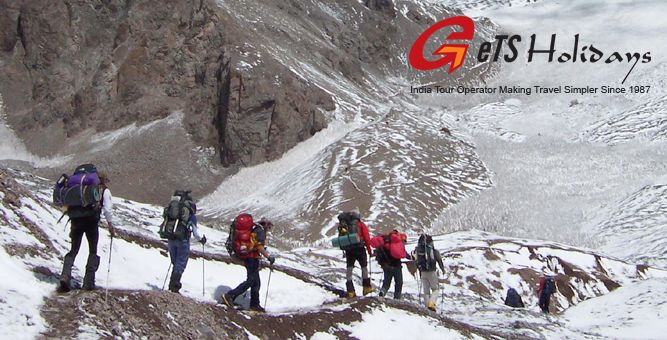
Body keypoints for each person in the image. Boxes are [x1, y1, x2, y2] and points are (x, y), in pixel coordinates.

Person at [58, 170, 115, 292]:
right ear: (103, 180)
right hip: (91, 222)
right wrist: (110, 225)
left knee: (73, 249)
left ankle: (65, 275)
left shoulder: (81, 187)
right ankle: (88, 282)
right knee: (92, 250)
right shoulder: (104, 190)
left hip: (76, 220)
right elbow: (108, 209)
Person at [222, 215, 275, 312]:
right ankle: (230, 295)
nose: (269, 229)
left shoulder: (255, 229)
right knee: (251, 281)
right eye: (269, 226)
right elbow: (259, 247)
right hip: (251, 258)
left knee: (256, 282)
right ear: (266, 225)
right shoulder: (260, 232)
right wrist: (268, 257)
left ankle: (255, 304)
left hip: (249, 257)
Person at [166, 197, 206, 293]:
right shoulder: (190, 215)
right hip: (182, 240)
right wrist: (202, 239)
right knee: (181, 263)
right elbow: (196, 232)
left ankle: (171, 285)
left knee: (175, 262)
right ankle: (174, 286)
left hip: (171, 239)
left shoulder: (174, 213)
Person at [338, 211, 373, 298]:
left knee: (349, 269)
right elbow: (366, 238)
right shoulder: (360, 224)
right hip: (360, 248)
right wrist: (369, 250)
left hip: (349, 250)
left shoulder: (344, 225)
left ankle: (350, 291)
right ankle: (366, 288)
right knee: (364, 267)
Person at [412, 234, 445, 311]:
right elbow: (439, 260)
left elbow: (415, 261)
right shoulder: (433, 251)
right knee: (435, 289)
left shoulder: (418, 250)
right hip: (432, 271)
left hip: (423, 272)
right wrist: (442, 269)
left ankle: (427, 307)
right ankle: (431, 303)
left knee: (426, 291)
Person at [376, 230, 409, 299]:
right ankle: (397, 298)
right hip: (396, 266)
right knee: (399, 283)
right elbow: (404, 254)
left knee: (386, 283)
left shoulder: (386, 242)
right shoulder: (397, 243)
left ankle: (382, 292)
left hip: (386, 266)